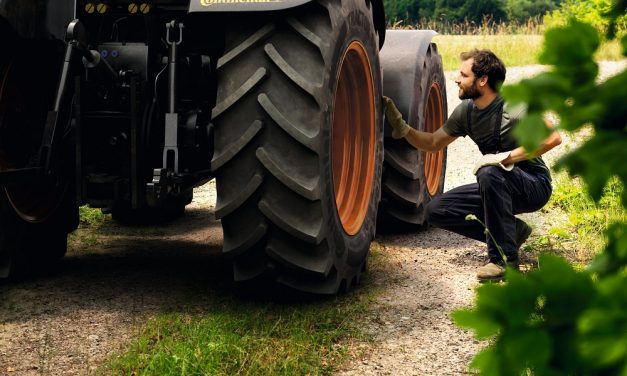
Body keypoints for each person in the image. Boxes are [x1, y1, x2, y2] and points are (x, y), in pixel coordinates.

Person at [383, 49, 562, 282]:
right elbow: (433, 142)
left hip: (533, 185)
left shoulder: (515, 106)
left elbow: (553, 138)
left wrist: (505, 159)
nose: (456, 79)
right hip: (496, 183)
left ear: (482, 80)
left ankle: (503, 261)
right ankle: (511, 231)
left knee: (489, 172)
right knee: (436, 210)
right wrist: (403, 129)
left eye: (463, 75)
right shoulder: (466, 112)